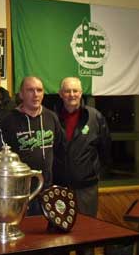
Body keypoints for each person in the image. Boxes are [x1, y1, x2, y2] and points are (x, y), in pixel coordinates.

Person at [54, 77, 111, 254]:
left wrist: (92, 174)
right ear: (60, 94)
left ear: (81, 93)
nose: (72, 95)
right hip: (60, 188)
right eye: (68, 91)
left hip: (86, 189)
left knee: (86, 237)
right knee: (59, 237)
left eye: (75, 91)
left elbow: (106, 150)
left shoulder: (95, 117)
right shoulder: (51, 116)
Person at [0, 76, 65, 215]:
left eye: (39, 90)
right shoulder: (9, 120)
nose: (35, 94)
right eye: (30, 90)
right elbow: (1, 157)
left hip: (46, 190)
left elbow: (60, 148)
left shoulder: (51, 117)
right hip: (19, 192)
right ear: (21, 94)